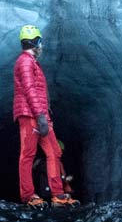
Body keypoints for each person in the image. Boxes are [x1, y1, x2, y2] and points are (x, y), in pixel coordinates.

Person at [13, 25, 76, 207]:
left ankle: (58, 195)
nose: (41, 46)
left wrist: (45, 116)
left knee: (54, 152)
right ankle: (28, 196)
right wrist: (40, 116)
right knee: (28, 155)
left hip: (40, 116)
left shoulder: (31, 62)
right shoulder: (25, 62)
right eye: (39, 41)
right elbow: (30, 89)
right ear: (34, 42)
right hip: (30, 115)